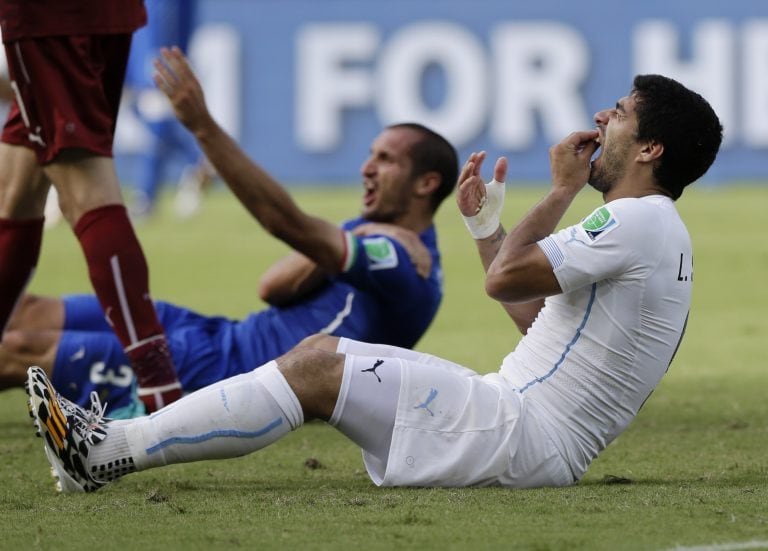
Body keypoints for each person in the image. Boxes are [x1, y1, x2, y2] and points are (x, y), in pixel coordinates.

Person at [26, 73, 722, 493]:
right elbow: (536, 321)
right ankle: (106, 448)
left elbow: (508, 278)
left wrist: (562, 191)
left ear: (651, 148)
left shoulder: (636, 222)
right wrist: (485, 229)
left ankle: (106, 452)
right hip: (521, 423)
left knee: (317, 365)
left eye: (621, 114)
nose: (602, 118)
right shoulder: (652, 229)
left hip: (521, 432)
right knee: (318, 364)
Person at [4, 50, 458, 418]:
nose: (366, 168)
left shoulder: (405, 260)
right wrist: (346, 238)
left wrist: (202, 126)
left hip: (227, 373)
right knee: (24, 311)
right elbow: (272, 287)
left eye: (385, 160)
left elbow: (285, 224)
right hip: (217, 334)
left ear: (426, 184)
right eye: (370, 154)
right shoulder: (371, 236)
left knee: (21, 349)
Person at [0, 0, 182, 412]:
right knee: (16, 187)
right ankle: (159, 386)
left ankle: (160, 390)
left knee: (85, 185)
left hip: (47, 19)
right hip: (110, 13)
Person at [124, 0, 215, 219]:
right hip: (128, 34)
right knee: (142, 110)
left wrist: (162, 58)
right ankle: (196, 162)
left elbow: (169, 19)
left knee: (152, 110)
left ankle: (147, 196)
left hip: (149, 42)